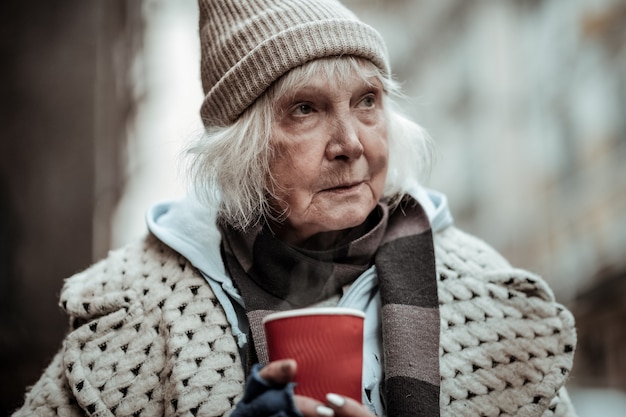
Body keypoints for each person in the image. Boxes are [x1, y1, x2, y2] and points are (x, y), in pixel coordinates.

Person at [13, 0, 577, 416]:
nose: (351, 143)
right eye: (305, 109)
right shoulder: (137, 307)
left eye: (367, 102)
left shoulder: (485, 290)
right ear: (243, 150)